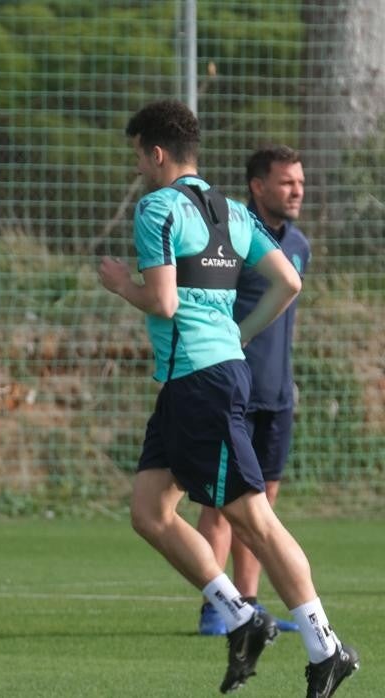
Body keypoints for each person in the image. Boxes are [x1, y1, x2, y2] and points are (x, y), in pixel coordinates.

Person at [97, 100, 358, 697]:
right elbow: (288, 281)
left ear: (156, 152)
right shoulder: (232, 210)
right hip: (204, 377)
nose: (137, 164)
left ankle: (325, 646)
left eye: (138, 153)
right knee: (150, 511)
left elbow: (162, 302)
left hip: (200, 380)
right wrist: (238, 334)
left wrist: (121, 285)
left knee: (252, 518)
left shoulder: (158, 208)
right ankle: (243, 616)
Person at [195, 145, 310, 637]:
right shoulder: (234, 239)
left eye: (299, 182)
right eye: (286, 182)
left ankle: (250, 603)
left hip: (278, 394)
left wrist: (288, 376)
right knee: (222, 502)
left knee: (262, 505)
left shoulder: (299, 244)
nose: (297, 190)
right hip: (233, 388)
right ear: (257, 186)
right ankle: (214, 609)